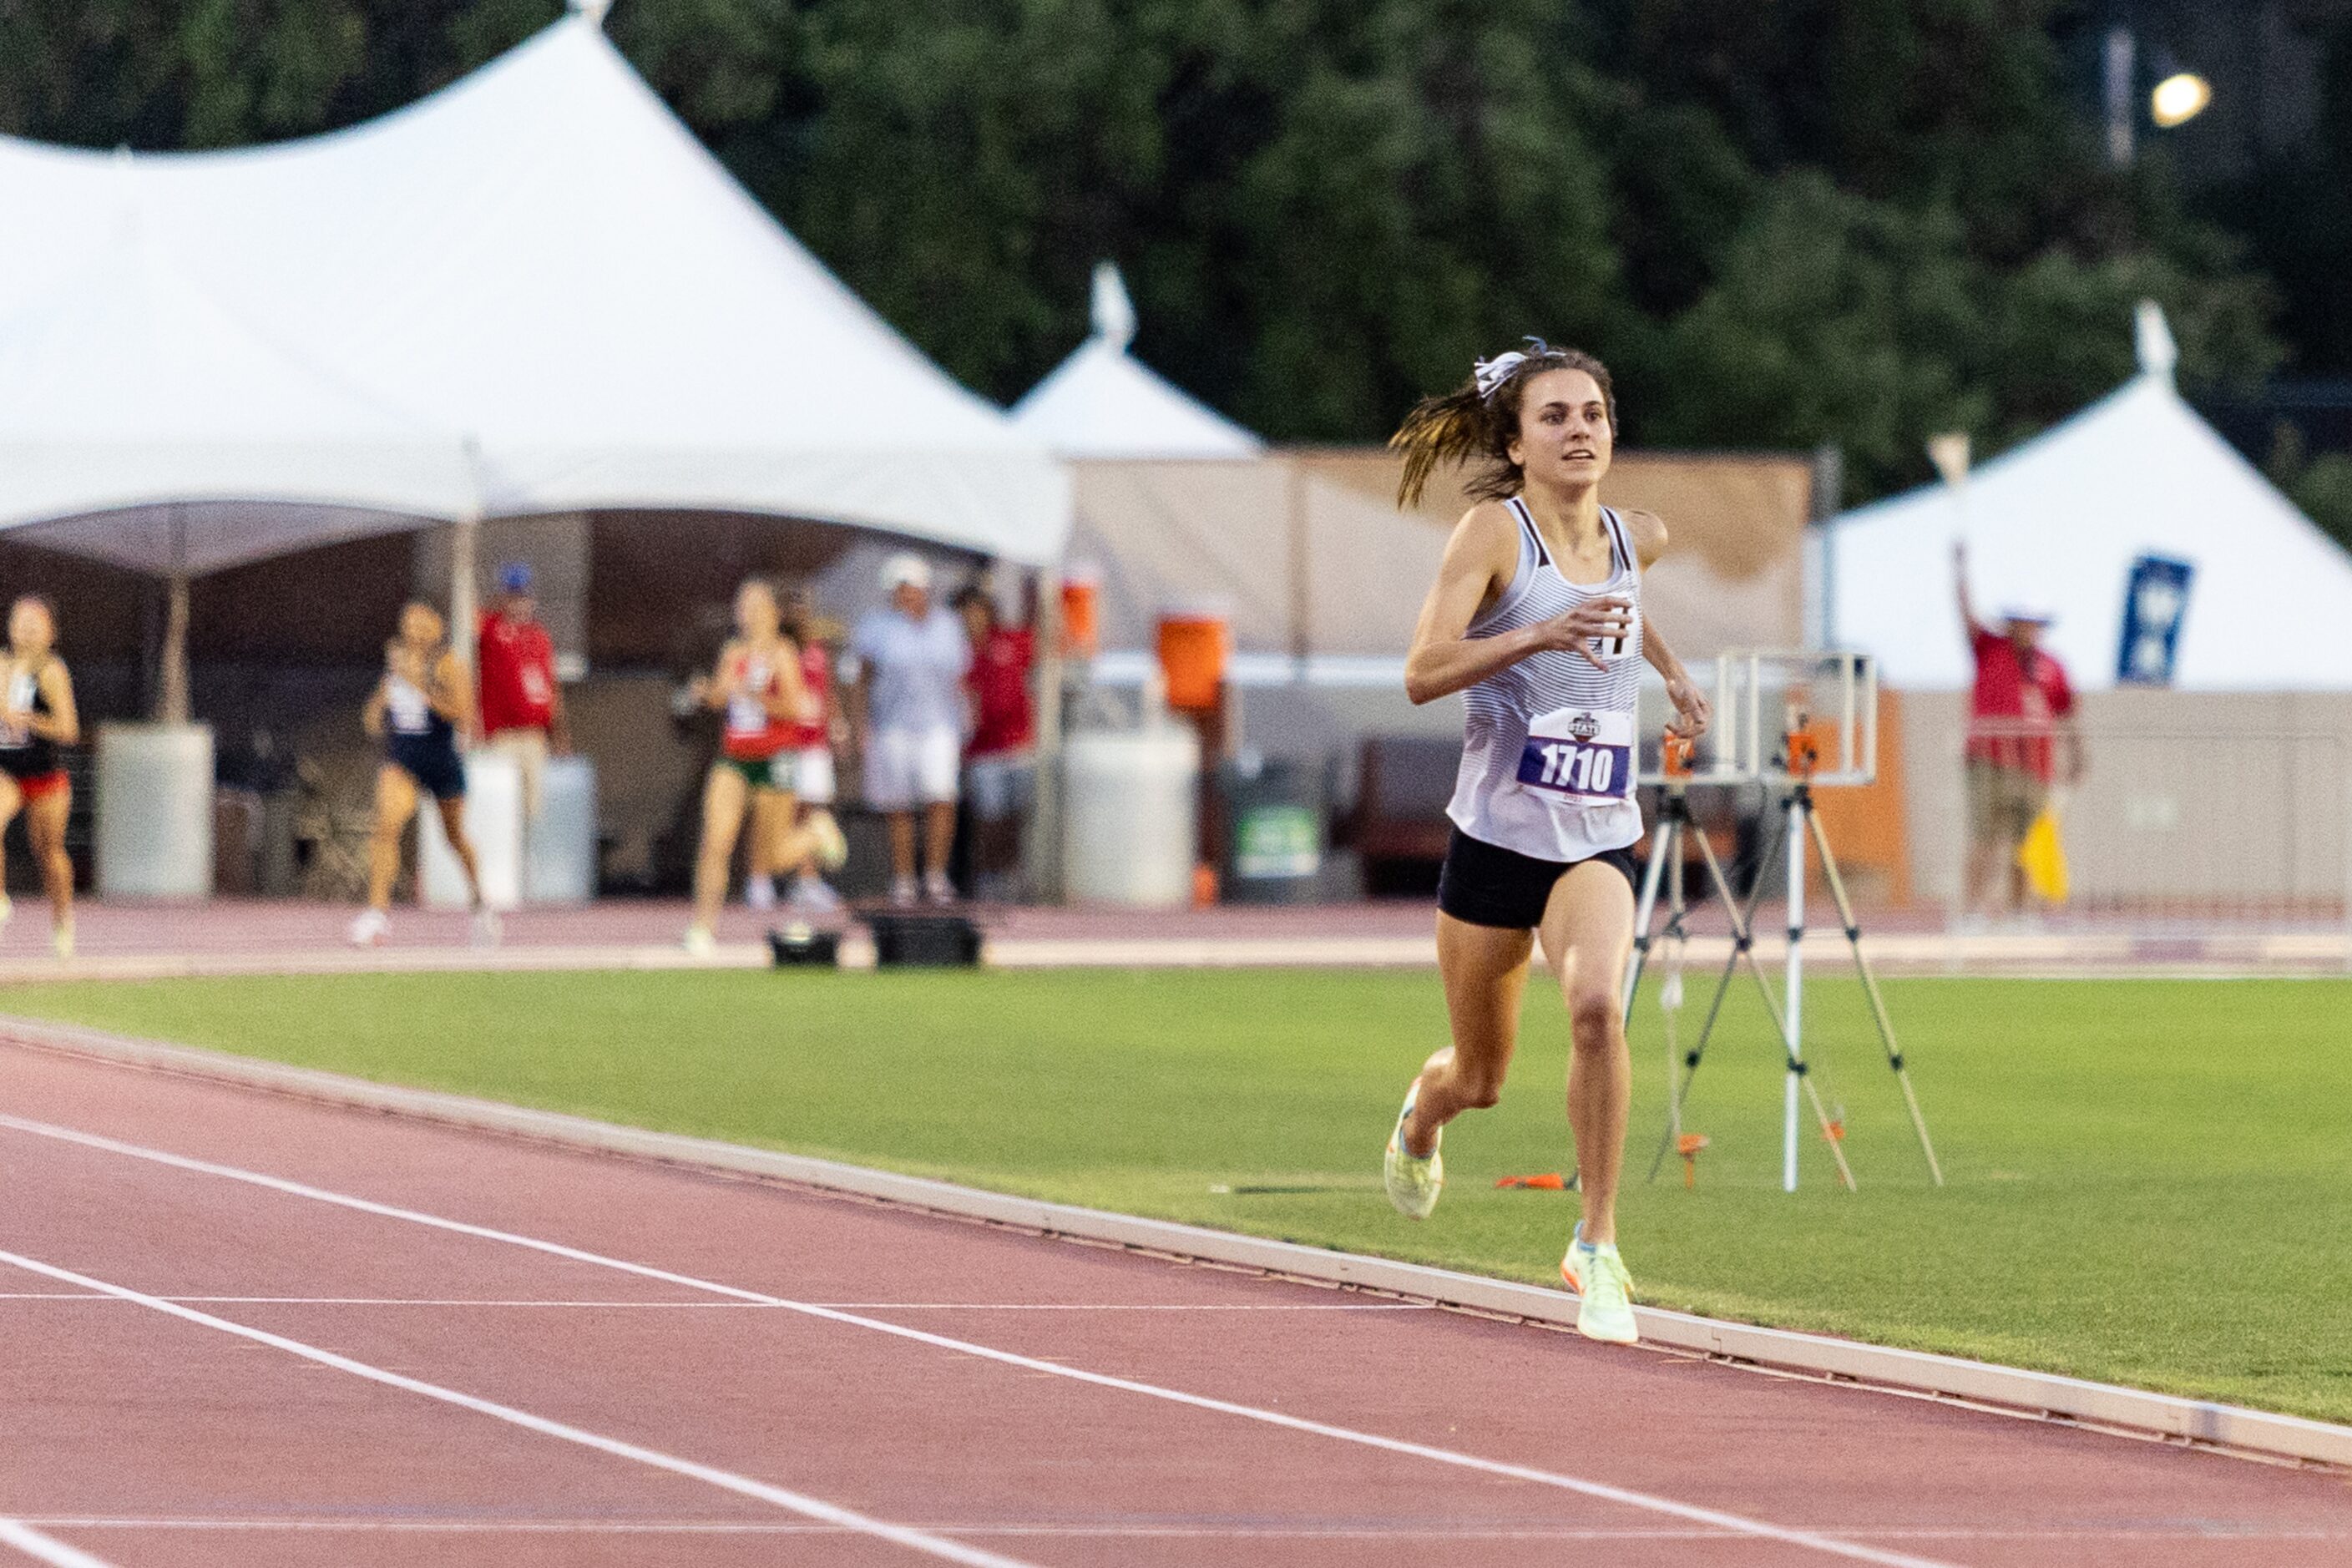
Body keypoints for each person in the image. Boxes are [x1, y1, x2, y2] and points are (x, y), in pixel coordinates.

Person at [1380, 340, 1710, 1346]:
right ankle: (1420, 1119)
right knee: (1480, 1079)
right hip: (1495, 839)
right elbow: (1424, 671)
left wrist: (1677, 674)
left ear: (1613, 434)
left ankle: (1597, 1245)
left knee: (1599, 1007)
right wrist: (1538, 635)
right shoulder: (1492, 534)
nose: (1579, 431)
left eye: (1593, 416)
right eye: (1555, 416)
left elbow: (1626, 606)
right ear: (1517, 442)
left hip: (1595, 837)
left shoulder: (1635, 534)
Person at [683, 578, 846, 957]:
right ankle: (703, 926)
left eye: (755, 606)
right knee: (716, 842)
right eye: (742, 607)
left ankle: (817, 832)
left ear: (771, 613)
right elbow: (723, 696)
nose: (747, 614)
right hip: (736, 757)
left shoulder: (783, 653)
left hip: (775, 758)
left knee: (773, 856)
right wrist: (706, 692)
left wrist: (755, 696)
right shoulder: (733, 651)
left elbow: (796, 708)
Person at [352, 603, 498, 948]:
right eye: (409, 623)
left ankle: (480, 902)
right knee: (386, 825)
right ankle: (377, 913)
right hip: (403, 758)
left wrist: (420, 686)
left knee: (455, 837)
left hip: (440, 759)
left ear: (436, 628)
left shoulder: (447, 664)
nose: (414, 630)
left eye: (422, 624)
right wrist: (376, 710)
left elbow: (463, 714)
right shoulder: (397, 662)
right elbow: (378, 707)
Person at [1955, 543, 2082, 919]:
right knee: (1985, 838)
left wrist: (2076, 756)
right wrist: (1960, 571)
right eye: (2023, 621)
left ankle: (2019, 913)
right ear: (2010, 623)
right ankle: (1973, 911)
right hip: (1989, 759)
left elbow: (2066, 714)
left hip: (2034, 766)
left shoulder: (2053, 666)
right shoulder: (1990, 649)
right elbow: (1964, 615)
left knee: (2026, 843)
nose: (2030, 629)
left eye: (2035, 622)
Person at [849, 554, 970, 906]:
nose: (907, 595)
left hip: (938, 724)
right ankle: (904, 878)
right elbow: (863, 677)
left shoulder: (947, 626)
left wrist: (965, 721)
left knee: (941, 795)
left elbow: (958, 678)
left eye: (912, 588)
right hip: (893, 726)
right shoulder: (878, 626)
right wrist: (860, 723)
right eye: (901, 589)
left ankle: (935, 876)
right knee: (898, 804)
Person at [0, 597, 81, 958]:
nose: (25, 632)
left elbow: (68, 730)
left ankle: (63, 920)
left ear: (50, 633)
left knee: (48, 853)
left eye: (34, 626)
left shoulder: (51, 671)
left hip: (45, 775)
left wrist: (27, 718)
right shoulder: (2, 665)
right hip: (7, 771)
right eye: (19, 624)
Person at [953, 580, 1036, 902]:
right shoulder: (959, 652)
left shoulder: (1008, 640)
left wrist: (1031, 593)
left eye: (977, 611)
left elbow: (1039, 637)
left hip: (1017, 745)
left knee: (1015, 816)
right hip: (983, 750)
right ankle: (988, 877)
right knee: (989, 817)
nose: (972, 618)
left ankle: (1011, 874)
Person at [772, 585, 847, 915]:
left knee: (817, 810)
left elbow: (827, 691)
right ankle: (771, 878)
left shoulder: (817, 649)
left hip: (815, 743)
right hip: (787, 742)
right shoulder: (779, 649)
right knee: (788, 811)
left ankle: (809, 879)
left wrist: (838, 722)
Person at [477, 562, 568, 830]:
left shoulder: (539, 636)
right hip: (502, 734)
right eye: (514, 597)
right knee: (501, 808)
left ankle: (527, 866)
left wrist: (559, 733)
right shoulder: (492, 629)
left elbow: (551, 686)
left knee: (532, 812)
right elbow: (469, 620)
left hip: (534, 735)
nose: (521, 604)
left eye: (525, 597)